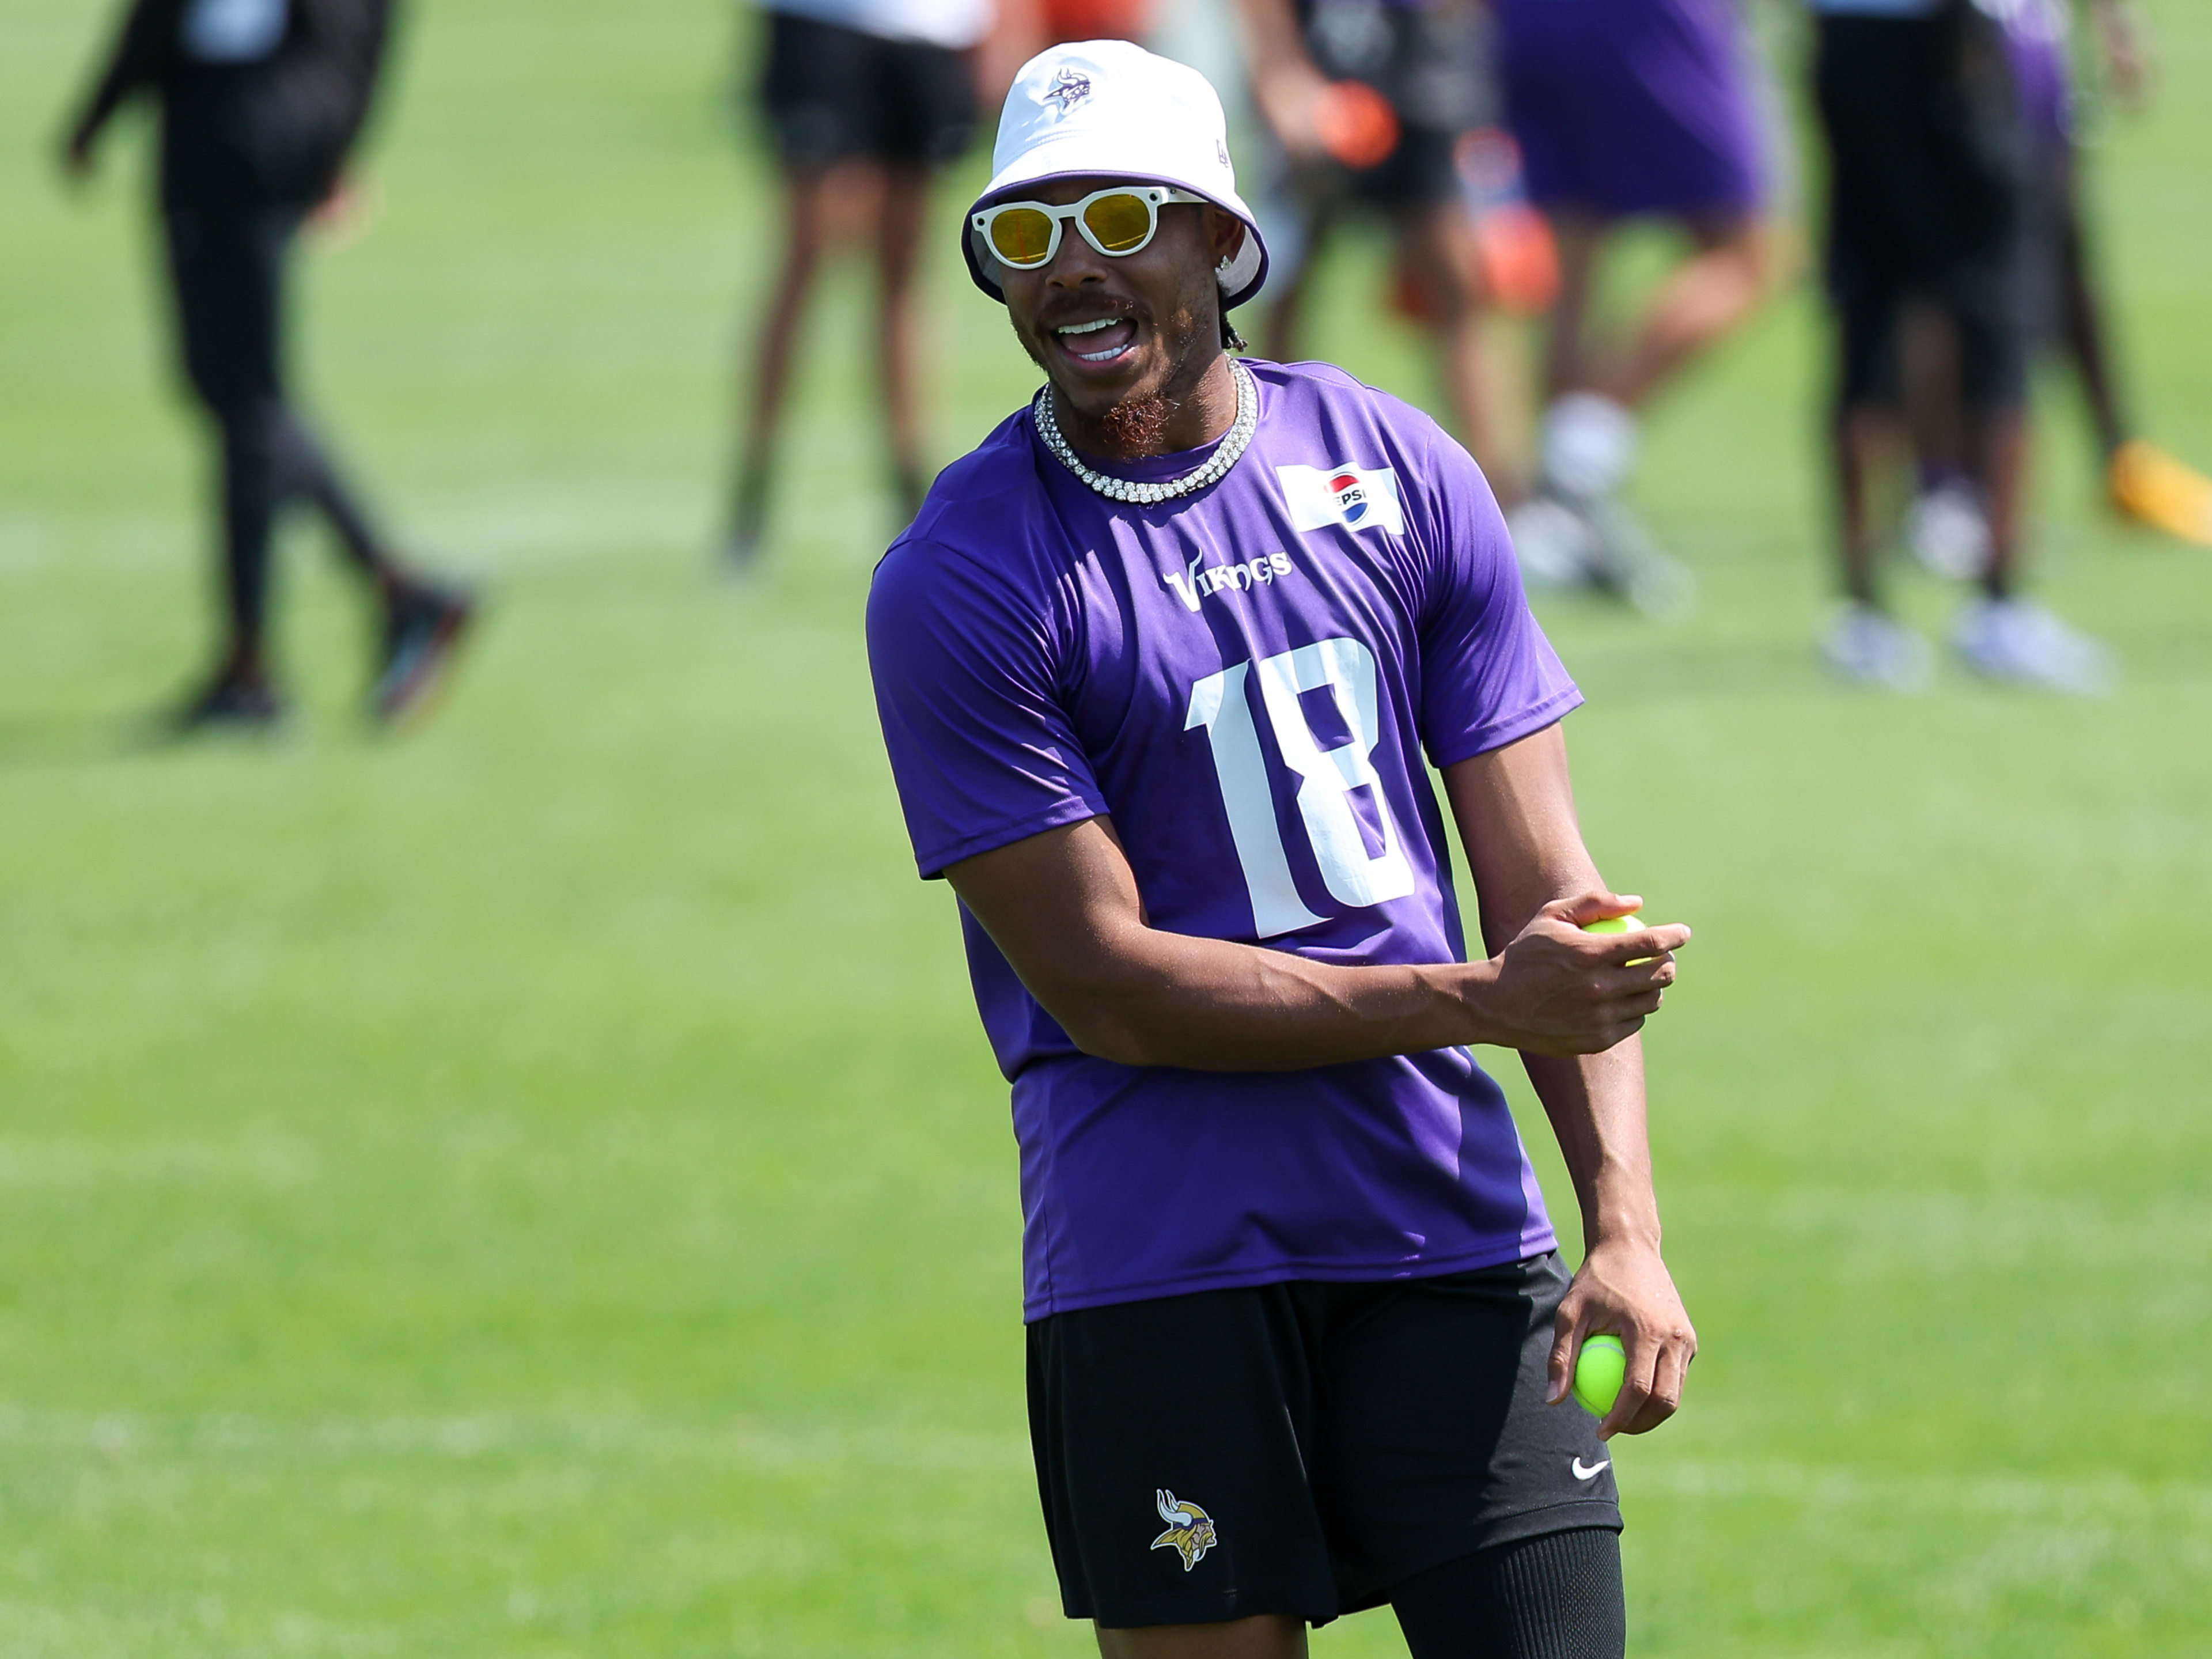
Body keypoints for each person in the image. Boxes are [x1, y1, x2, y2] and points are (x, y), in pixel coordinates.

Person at [867, 41, 1697, 1654]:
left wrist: (1624, 1231)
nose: (1072, 270)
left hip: (1448, 1235)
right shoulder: (961, 580)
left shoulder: (1399, 474)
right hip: (1156, 1272)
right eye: (1027, 233)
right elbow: (1109, 988)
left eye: (1117, 217)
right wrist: (1477, 999)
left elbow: (1553, 903)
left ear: (1223, 242)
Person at [62, 0, 475, 732]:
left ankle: (290, 649)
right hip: (296, 108)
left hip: (224, 116)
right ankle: (327, 621)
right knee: (244, 396)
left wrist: (99, 113)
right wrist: (340, 131)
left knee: (243, 397)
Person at [1809, 0, 2110, 692]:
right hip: (1945, 40)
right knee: (1998, 317)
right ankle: (2000, 605)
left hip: (1845, 36)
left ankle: (1863, 612)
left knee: (1869, 312)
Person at [1491, 0, 1780, 612]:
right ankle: (1574, 463)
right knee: (1746, 257)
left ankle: (1557, 513)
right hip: (1644, 20)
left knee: (1571, 256)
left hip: (1525, 19)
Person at [1907, 0, 2210, 573]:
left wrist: (2115, 24)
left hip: (2028, 32)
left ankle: (2118, 461)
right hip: (1955, 33)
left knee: (2059, 252)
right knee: (1954, 270)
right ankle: (1944, 490)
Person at [722, 0, 993, 570]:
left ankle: (914, 505)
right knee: (808, 258)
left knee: (906, 274)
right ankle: (750, 504)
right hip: (825, 22)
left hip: (935, 27)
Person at [1235, 0, 1516, 495]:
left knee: (1458, 284)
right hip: (1320, 78)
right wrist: (1280, 70)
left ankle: (1499, 490)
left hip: (1420, 84)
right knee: (1277, 280)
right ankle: (1258, 470)